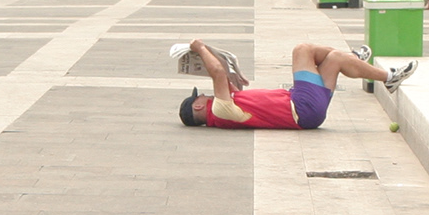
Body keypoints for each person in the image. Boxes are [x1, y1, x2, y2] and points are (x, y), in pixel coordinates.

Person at [177, 39, 414, 130]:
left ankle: (354, 61)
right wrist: (199, 48)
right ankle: (386, 77)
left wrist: (233, 74)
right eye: (200, 96)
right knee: (302, 49)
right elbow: (217, 73)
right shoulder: (219, 111)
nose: (205, 94)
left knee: (335, 60)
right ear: (198, 107)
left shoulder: (225, 110)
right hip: (300, 107)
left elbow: (226, 76)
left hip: (304, 108)